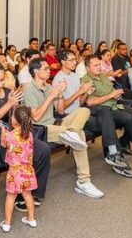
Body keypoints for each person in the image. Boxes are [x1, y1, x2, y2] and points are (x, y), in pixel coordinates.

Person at [0, 61, 52, 210]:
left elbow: (16, 117)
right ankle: (20, 194)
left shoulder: (9, 91)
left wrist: (19, 110)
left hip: (12, 132)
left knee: (43, 149)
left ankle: (31, 192)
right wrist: (9, 104)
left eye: (2, 79)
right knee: (22, 153)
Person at [22, 58, 104, 199]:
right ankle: (84, 181)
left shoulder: (48, 87)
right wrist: (51, 96)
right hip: (40, 129)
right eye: (46, 69)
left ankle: (70, 133)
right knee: (81, 135)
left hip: (55, 124)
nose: (49, 71)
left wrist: (59, 95)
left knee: (84, 111)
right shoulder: (29, 89)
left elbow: (60, 110)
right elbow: (35, 117)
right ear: (36, 71)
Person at [83, 55, 132, 176]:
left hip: (114, 105)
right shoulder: (87, 80)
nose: (99, 67)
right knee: (128, 118)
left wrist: (116, 95)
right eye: (95, 65)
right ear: (87, 68)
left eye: (99, 64)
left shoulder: (103, 76)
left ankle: (123, 143)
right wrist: (110, 96)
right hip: (101, 109)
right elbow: (90, 102)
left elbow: (110, 91)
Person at [0, 104, 39, 232]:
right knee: (28, 195)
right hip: (28, 170)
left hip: (14, 171)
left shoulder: (9, 135)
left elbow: (3, 144)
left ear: (14, 120)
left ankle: (7, 223)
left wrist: (3, 132)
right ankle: (31, 219)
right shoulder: (29, 134)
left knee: (11, 197)